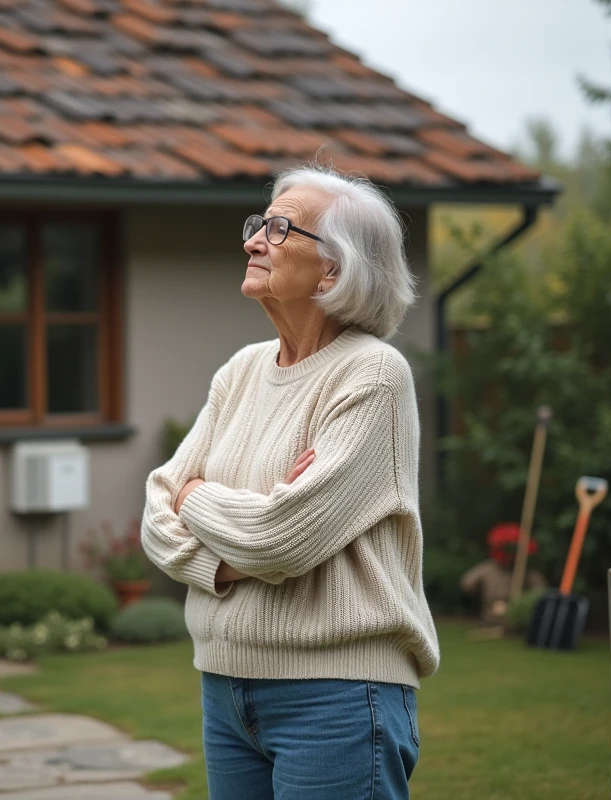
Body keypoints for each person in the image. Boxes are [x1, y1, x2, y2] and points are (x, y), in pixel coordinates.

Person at [141, 164, 441, 800]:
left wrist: (199, 497)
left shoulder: (373, 377)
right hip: (223, 687)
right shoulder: (242, 372)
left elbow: (279, 539)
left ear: (334, 270)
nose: (253, 241)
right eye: (258, 224)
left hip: (335, 698)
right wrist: (228, 556)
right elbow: (156, 511)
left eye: (280, 229)